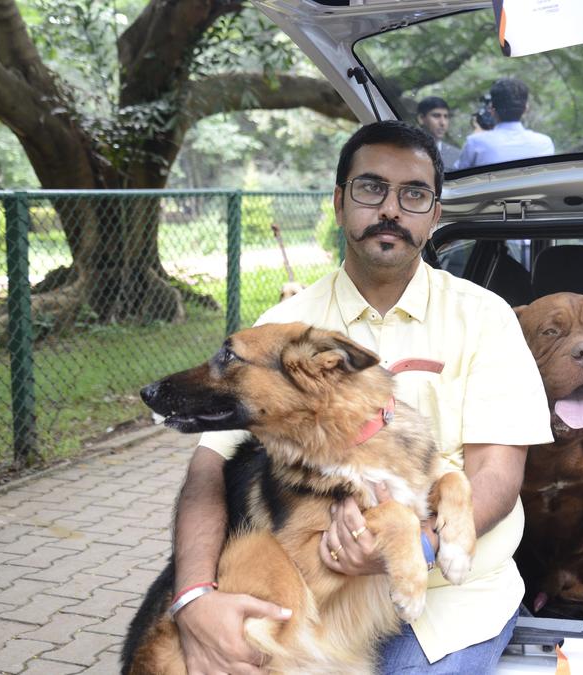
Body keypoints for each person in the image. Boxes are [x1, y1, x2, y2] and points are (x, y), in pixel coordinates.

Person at [170, 120, 553, 674]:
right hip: (317, 597)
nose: (391, 209)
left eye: (414, 194)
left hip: (452, 596)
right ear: (339, 201)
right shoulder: (280, 329)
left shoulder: (484, 316)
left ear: (435, 214)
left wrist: (414, 548)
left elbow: (497, 471)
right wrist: (194, 599)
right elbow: (207, 474)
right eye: (371, 188)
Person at [454, 77, 554, 170]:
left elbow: (456, 177)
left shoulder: (475, 142)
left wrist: (477, 135)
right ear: (525, 109)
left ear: (492, 109)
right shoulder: (545, 143)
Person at [416, 96, 461, 169]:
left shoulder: (456, 155)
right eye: (436, 116)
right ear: (421, 118)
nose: (443, 123)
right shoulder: (406, 149)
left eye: (446, 117)